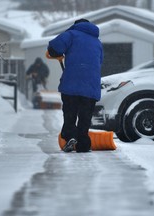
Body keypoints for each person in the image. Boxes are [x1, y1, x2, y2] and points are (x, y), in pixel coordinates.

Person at [47, 18, 103, 153]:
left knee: (70, 113)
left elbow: (54, 47)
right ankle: (83, 144)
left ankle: (70, 136)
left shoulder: (72, 34)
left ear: (76, 25)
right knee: (85, 117)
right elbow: (99, 62)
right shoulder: (97, 42)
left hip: (73, 81)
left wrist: (57, 53)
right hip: (91, 84)